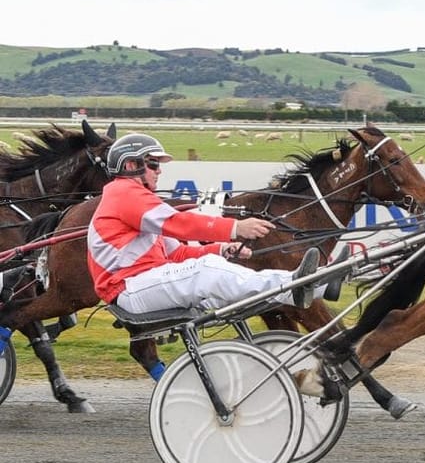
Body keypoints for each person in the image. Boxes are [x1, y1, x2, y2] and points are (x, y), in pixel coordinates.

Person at [87, 133, 324, 333]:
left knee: (229, 286)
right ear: (130, 165)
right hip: (128, 289)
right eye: (153, 164)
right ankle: (297, 284)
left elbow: (177, 253)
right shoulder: (124, 193)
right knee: (207, 269)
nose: (159, 171)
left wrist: (220, 249)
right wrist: (235, 228)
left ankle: (318, 283)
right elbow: (179, 223)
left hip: (144, 285)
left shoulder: (138, 201)